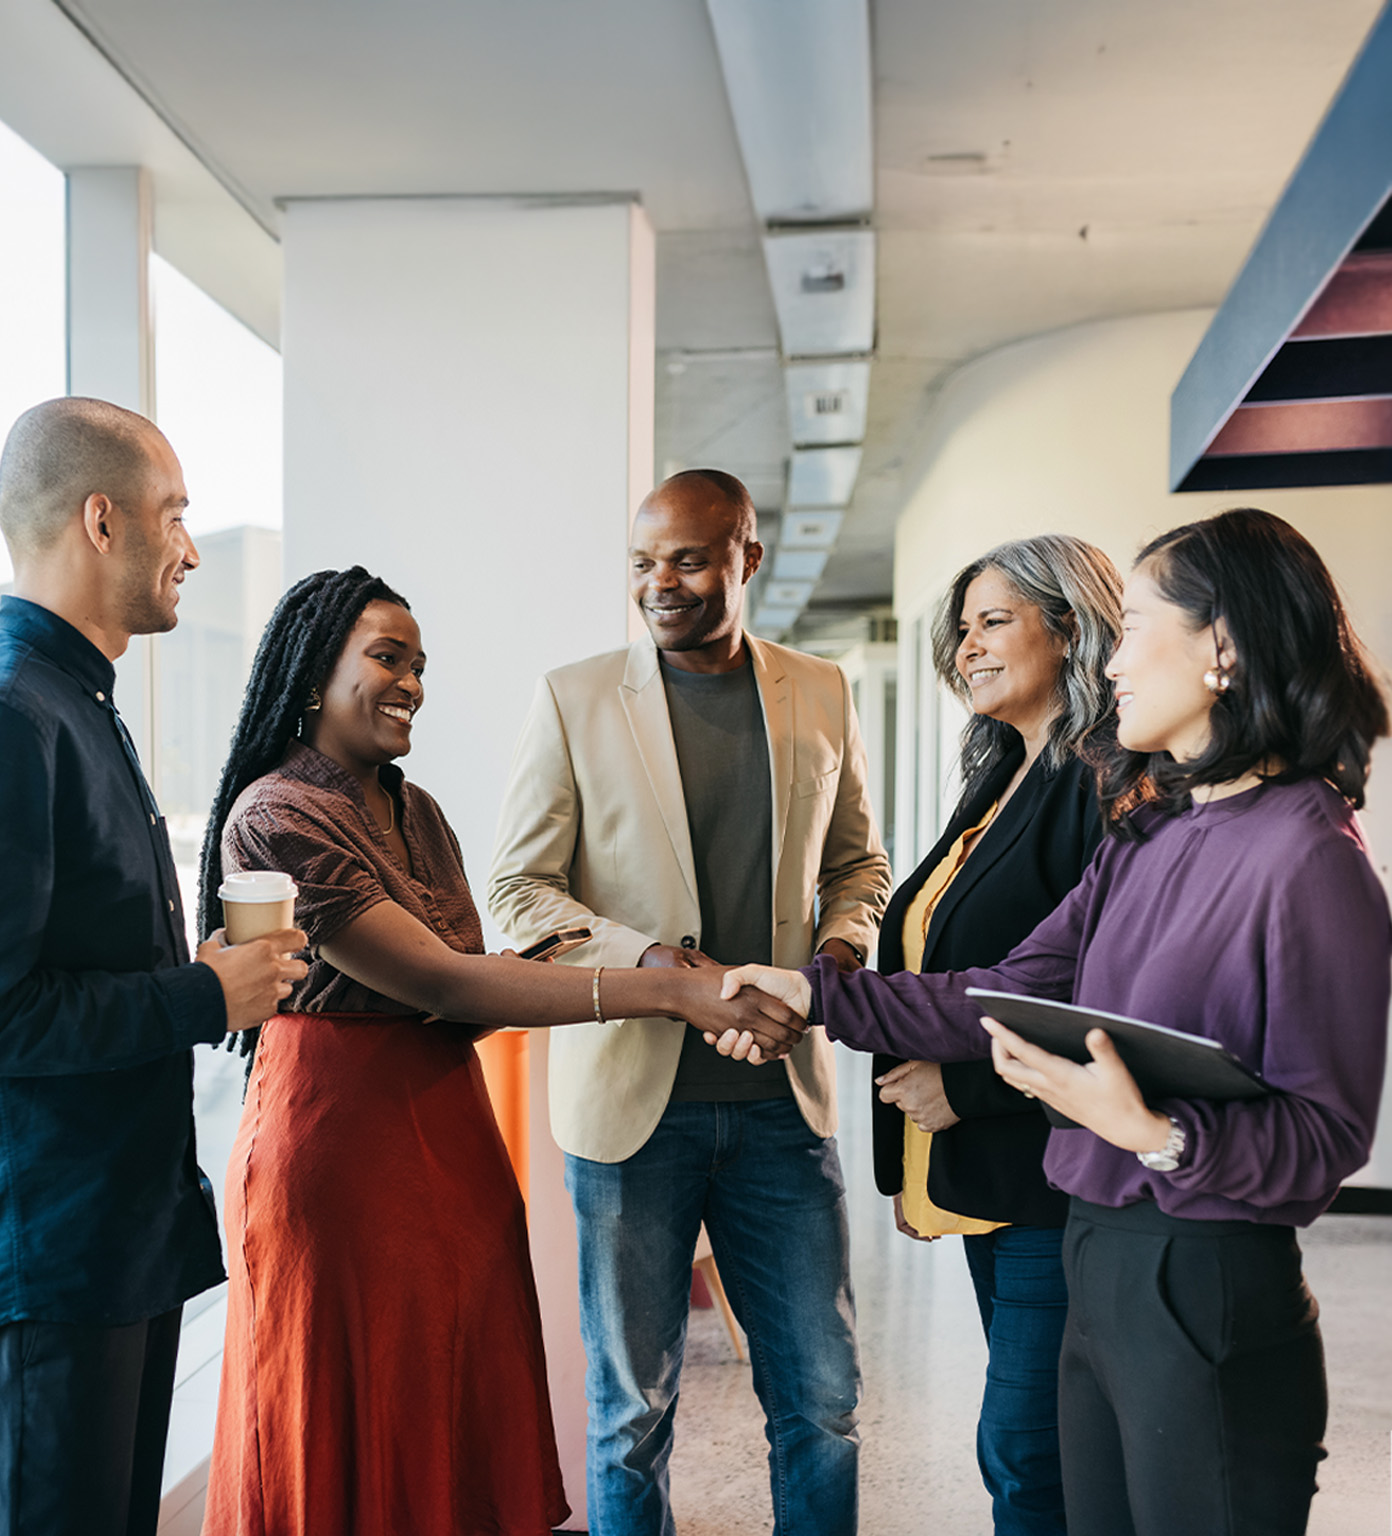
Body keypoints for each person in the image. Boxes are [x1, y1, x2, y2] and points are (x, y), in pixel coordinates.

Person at [712, 508, 1392, 1536]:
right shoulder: (1151, 833)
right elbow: (1001, 987)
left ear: (1223, 646)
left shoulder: (1312, 860)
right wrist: (816, 993)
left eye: (1137, 630)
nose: (1111, 662)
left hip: (1201, 1273)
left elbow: (1324, 1143)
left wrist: (1155, 1132)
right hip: (1093, 1251)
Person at [197, 564, 806, 1536]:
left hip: (449, 1133)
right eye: (387, 658)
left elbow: (458, 992)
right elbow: (443, 982)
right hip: (338, 1149)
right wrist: (671, 992)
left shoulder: (417, 808)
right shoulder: (276, 814)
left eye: (420, 665)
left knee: (448, 1396)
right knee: (352, 1410)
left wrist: (554, 962)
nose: (411, 685)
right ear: (313, 674)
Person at [0, 398, 308, 1536]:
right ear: (102, 520)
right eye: (175, 516)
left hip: (100, 1253)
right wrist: (203, 995)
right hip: (32, 1271)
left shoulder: (69, 706)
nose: (192, 549)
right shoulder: (0, 721)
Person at [488, 468, 890, 1536]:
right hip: (630, 1113)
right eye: (641, 562)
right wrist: (666, 973)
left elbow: (859, 867)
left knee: (823, 1402)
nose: (660, 583)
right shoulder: (574, 696)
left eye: (688, 559)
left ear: (746, 557)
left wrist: (841, 954)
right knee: (631, 1414)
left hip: (781, 1109)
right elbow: (520, 890)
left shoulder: (821, 690)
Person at [873, 535, 1122, 1534]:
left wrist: (963, 1093)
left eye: (993, 621)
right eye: (961, 628)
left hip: (1053, 1175)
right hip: (987, 1173)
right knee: (1033, 1445)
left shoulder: (1101, 786)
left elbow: (1109, 1006)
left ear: (1069, 630)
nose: (967, 646)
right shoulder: (1003, 777)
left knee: (1028, 1447)